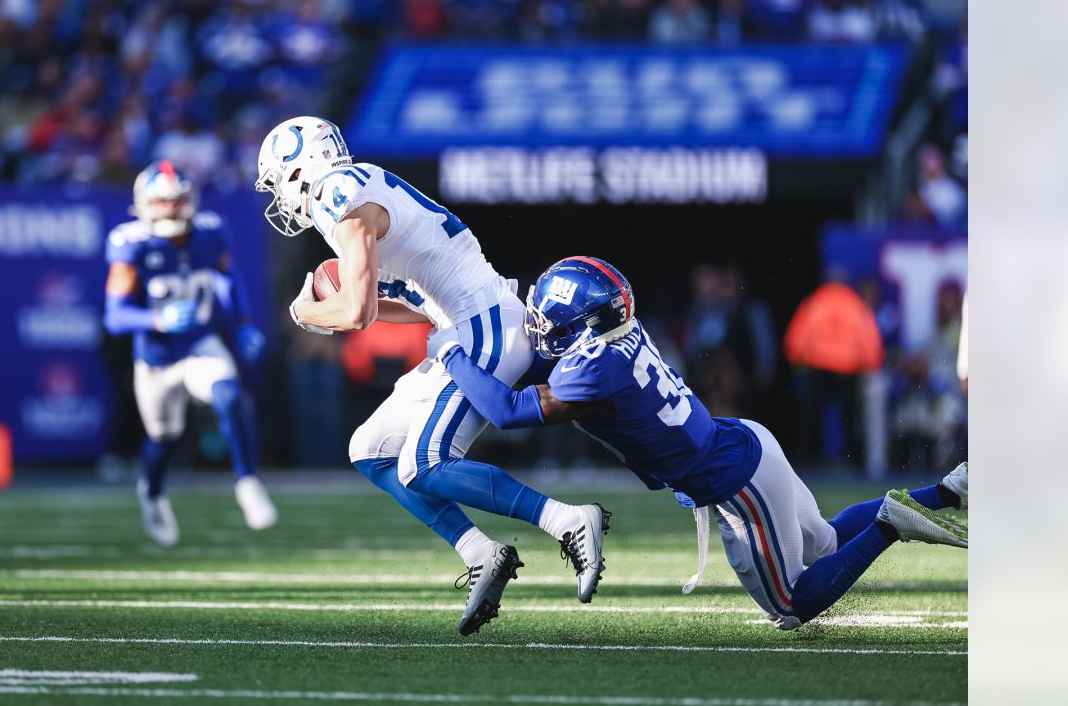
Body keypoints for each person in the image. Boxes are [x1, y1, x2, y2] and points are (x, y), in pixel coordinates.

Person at [436, 256, 968, 629]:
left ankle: (890, 523)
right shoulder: (617, 334)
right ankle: (946, 491)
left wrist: (452, 354)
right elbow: (559, 360)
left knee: (792, 605)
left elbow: (505, 412)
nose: (539, 325)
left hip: (733, 482)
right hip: (745, 442)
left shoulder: (592, 371)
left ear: (582, 326)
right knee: (825, 542)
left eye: (548, 318)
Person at [255, 117, 608, 636]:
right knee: (370, 449)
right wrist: (357, 303)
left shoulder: (338, 194)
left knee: (422, 464)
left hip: (483, 324)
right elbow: (404, 305)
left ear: (300, 169)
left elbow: (356, 314)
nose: (280, 199)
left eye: (278, 182)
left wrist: (305, 315)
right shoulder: (357, 187)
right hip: (462, 324)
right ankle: (480, 551)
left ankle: (566, 518)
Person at [103, 159, 275, 545]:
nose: (172, 209)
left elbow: (228, 278)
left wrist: (244, 323)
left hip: (200, 343)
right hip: (157, 358)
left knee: (228, 394)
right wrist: (157, 320)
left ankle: (248, 482)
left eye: (178, 200)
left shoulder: (210, 233)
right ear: (144, 204)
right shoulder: (132, 244)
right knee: (163, 438)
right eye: (163, 202)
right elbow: (115, 316)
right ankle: (151, 493)